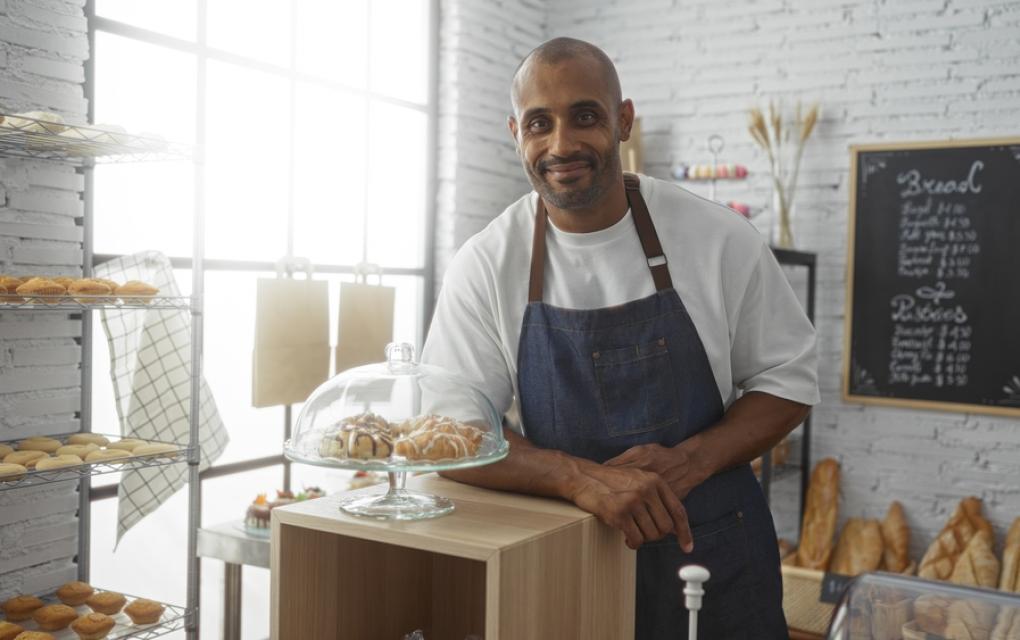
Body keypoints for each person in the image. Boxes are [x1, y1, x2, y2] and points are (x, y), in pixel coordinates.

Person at [422, 36, 819, 639]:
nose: (562, 145)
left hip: (712, 555)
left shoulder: (719, 239)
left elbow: (789, 380)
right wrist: (578, 478)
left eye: (585, 116)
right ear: (515, 133)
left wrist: (691, 460)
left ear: (624, 119)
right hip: (563, 560)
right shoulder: (485, 264)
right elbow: (451, 433)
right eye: (539, 124)